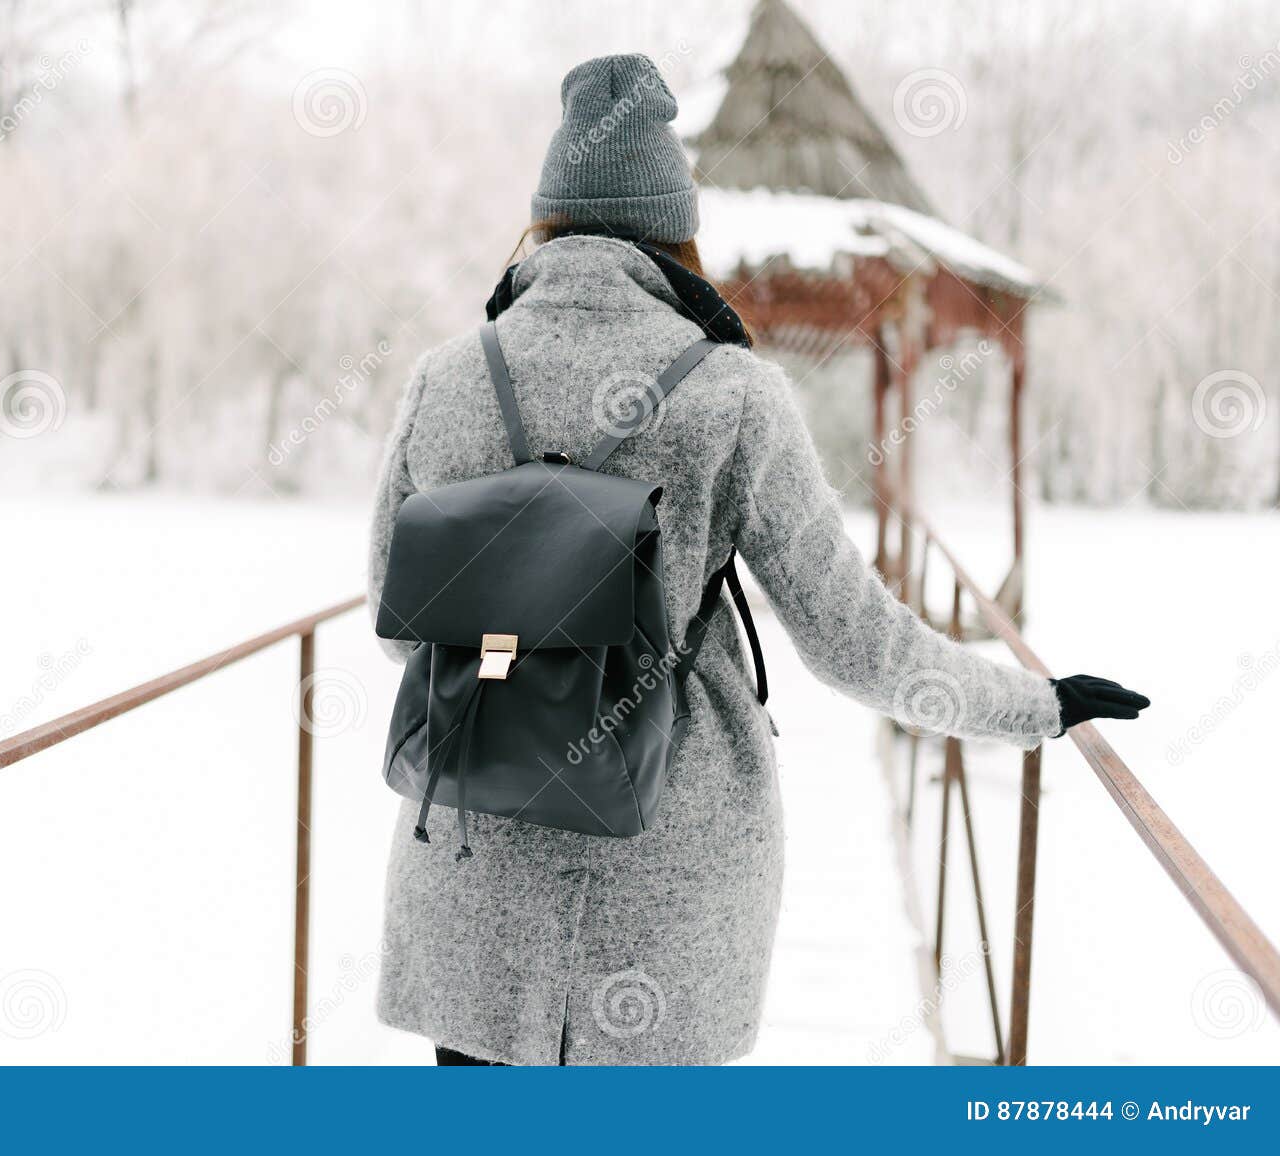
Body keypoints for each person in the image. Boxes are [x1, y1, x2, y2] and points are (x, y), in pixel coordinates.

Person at [366, 53, 1148, 1067]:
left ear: (544, 218)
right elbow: (855, 643)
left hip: (473, 872)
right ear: (676, 227)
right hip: (664, 902)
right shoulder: (729, 391)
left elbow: (401, 615)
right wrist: (1033, 704)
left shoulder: (447, 379)